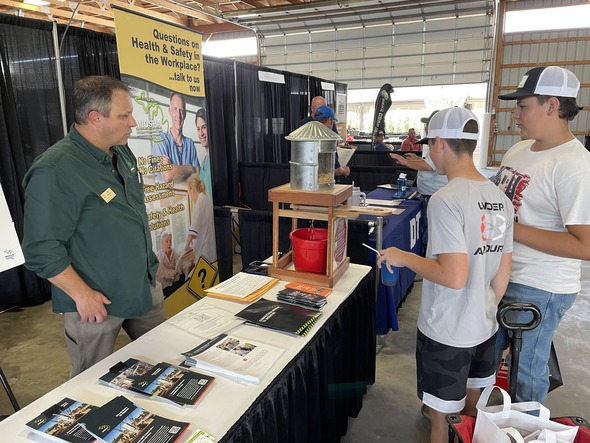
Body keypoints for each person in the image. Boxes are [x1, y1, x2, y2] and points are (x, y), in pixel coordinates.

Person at [377, 107, 514, 443]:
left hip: (447, 331)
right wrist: (479, 310)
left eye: (428, 145)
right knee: (469, 414)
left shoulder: (445, 199)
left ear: (439, 143)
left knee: (443, 421)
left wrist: (404, 257)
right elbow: (501, 276)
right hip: (485, 327)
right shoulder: (500, 198)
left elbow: (453, 276)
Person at [21, 76, 167, 377]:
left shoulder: (121, 153)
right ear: (95, 118)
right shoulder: (56, 169)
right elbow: (40, 248)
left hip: (142, 287)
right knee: (92, 385)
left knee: (165, 366)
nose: (133, 123)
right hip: (96, 304)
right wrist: (82, 295)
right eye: (124, 115)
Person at [492, 66, 590, 403]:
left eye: (523, 105)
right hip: (502, 273)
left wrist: (509, 228)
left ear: (552, 105)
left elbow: (585, 245)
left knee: (526, 370)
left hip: (539, 286)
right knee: (485, 359)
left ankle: (526, 429)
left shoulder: (574, 165)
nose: (515, 114)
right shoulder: (520, 151)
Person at [390, 111, 448, 201]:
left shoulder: (440, 142)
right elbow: (431, 161)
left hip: (434, 194)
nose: (425, 128)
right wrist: (417, 159)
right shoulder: (437, 140)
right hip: (431, 193)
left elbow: (429, 166)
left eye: (428, 125)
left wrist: (405, 162)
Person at [152, 91, 199, 183]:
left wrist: (174, 169)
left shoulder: (189, 143)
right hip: (167, 196)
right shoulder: (160, 140)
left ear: (185, 114)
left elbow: (197, 177)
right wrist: (190, 168)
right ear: (169, 111)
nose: (178, 114)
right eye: (175, 109)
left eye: (181, 110)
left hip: (189, 196)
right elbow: (168, 176)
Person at [184, 173, 217, 268]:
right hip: (211, 247)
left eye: (188, 193)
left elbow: (193, 230)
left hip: (204, 250)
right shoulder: (207, 200)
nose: (190, 196)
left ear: (192, 190)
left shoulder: (199, 203)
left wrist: (185, 248)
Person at [313, 105, 350, 181]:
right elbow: (333, 170)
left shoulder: (310, 135)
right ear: (330, 120)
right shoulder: (329, 140)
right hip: (324, 185)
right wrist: (345, 170)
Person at [156, 232, 184, 297]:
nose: (169, 243)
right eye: (167, 241)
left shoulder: (173, 253)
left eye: (170, 241)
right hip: (165, 285)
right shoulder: (159, 256)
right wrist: (174, 272)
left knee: (183, 281)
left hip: (175, 280)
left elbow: (180, 265)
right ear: (162, 243)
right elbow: (162, 272)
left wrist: (178, 271)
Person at [195, 108, 212, 196]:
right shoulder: (203, 163)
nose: (201, 133)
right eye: (198, 129)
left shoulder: (215, 160)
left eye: (204, 127)